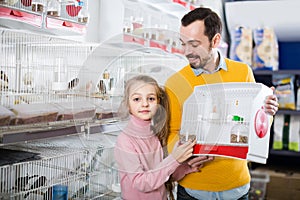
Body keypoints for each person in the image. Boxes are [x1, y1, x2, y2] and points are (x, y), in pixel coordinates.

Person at [164, 7, 279, 200]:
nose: (187, 52)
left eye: (194, 44)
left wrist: (267, 113)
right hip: (193, 189)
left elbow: (257, 128)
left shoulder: (242, 72)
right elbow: (171, 133)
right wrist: (183, 157)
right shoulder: (175, 82)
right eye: (183, 44)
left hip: (236, 186)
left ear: (215, 40)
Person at [114, 75, 212, 200]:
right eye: (137, 99)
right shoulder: (125, 140)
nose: (145, 104)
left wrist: (185, 167)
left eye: (151, 98)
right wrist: (174, 159)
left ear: (158, 103)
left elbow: (161, 176)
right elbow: (142, 183)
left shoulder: (153, 134)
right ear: (127, 104)